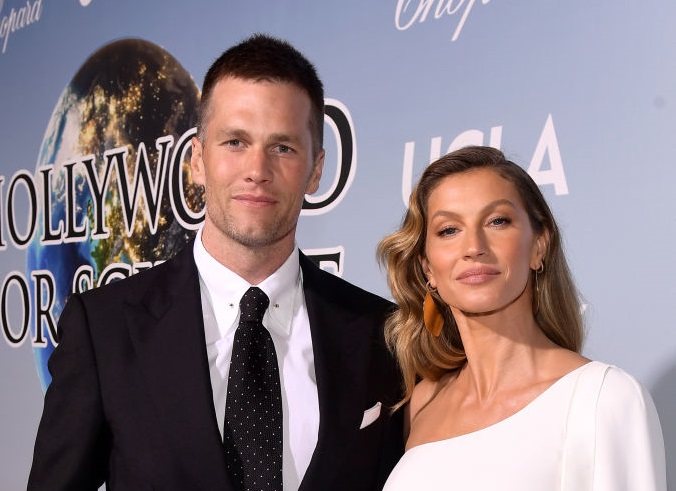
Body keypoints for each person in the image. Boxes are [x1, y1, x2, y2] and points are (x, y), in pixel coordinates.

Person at [27, 34, 403, 491]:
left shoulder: (382, 334)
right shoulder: (104, 329)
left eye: (283, 147)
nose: (257, 170)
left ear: (316, 170)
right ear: (197, 161)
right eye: (235, 142)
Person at [377, 146, 666, 490]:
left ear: (538, 246)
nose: (474, 246)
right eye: (449, 230)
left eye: (497, 221)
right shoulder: (422, 404)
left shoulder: (603, 397)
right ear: (428, 268)